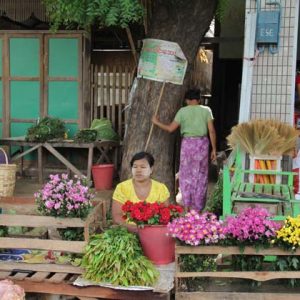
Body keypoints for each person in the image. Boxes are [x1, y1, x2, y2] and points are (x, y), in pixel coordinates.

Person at [152, 88, 217, 212]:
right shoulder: (206, 110)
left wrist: (156, 122)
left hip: (187, 144)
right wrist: (214, 149)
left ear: (187, 100)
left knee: (186, 174)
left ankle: (187, 206)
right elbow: (212, 131)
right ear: (199, 99)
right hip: (202, 145)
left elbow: (171, 128)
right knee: (200, 175)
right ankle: (198, 208)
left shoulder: (182, 111)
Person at [112, 151, 170, 232]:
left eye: (143, 167)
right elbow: (116, 216)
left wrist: (148, 231)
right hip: (127, 231)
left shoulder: (161, 188)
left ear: (151, 169)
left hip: (154, 232)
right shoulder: (122, 187)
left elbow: (165, 216)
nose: (138, 170)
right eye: (135, 167)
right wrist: (132, 228)